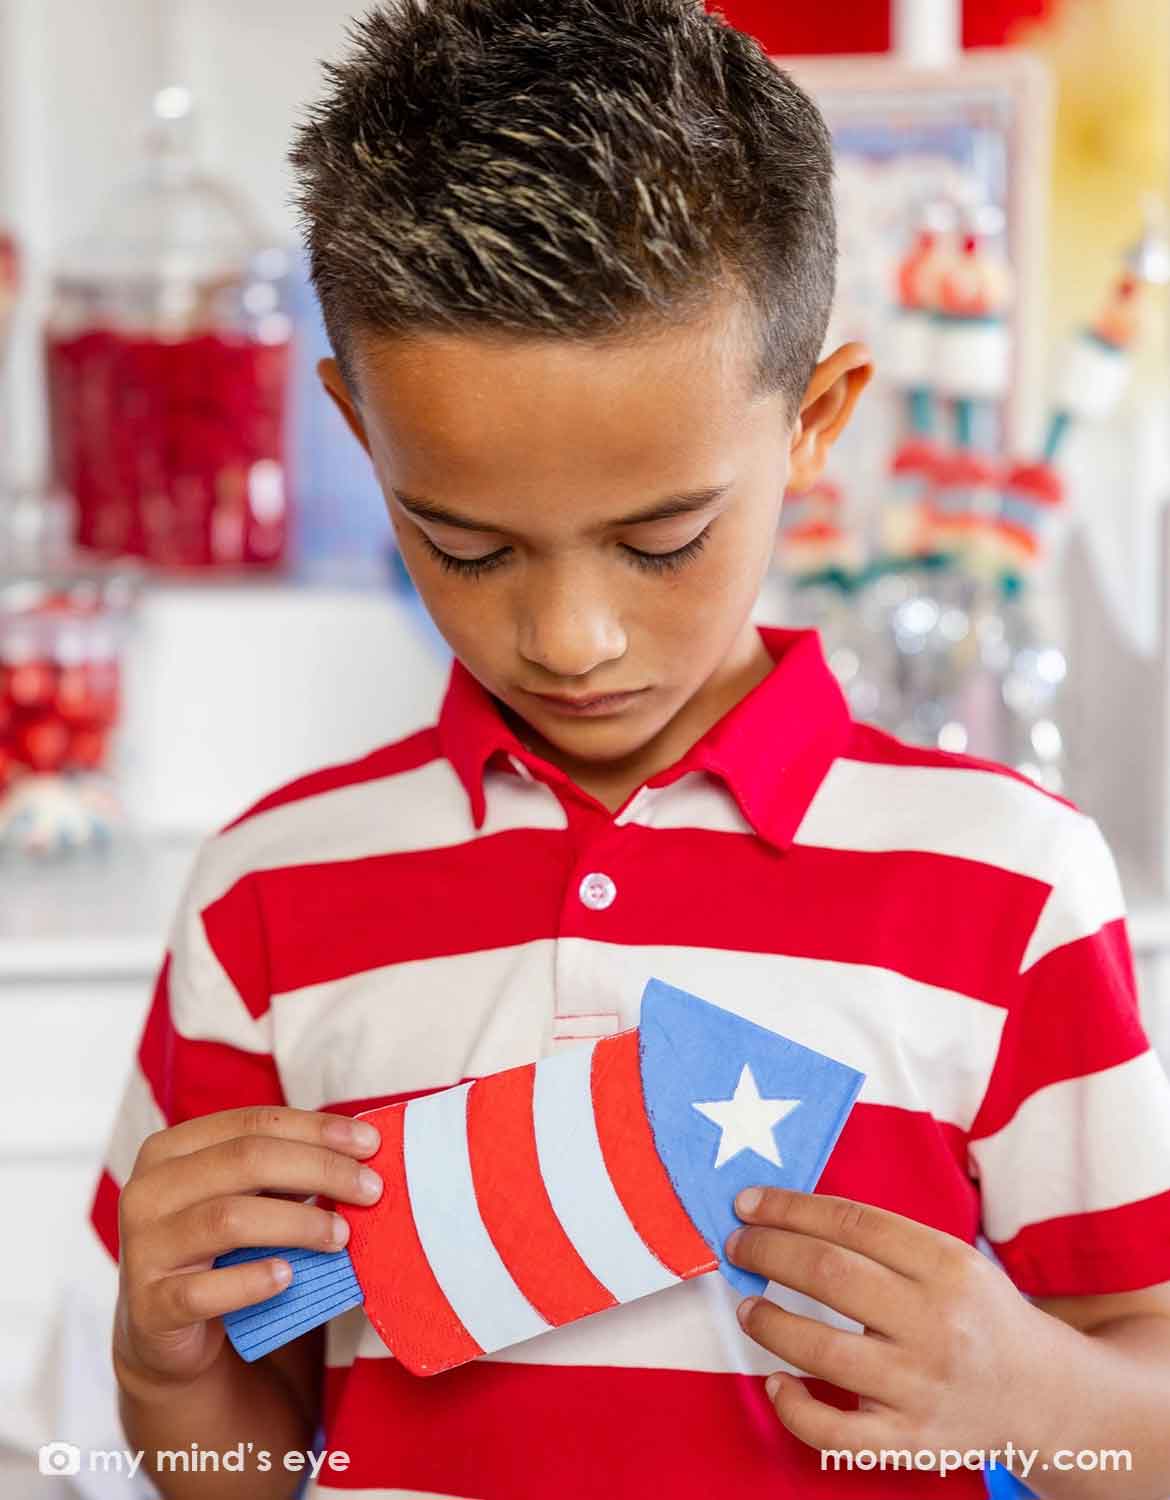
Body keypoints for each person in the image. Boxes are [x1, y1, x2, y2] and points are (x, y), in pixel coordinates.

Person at [91, 2, 1170, 1496]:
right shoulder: (267, 895)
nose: (570, 636)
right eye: (462, 545)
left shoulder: (1006, 883)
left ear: (815, 421)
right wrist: (166, 1369)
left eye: (662, 540)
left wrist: (1025, 1391)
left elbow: (1146, 1380)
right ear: (359, 431)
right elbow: (235, 1466)